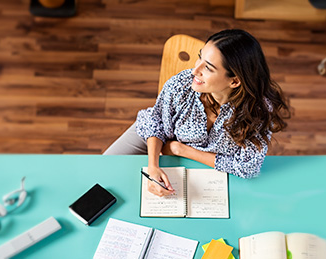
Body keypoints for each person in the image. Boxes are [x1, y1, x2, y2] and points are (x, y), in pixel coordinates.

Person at [103, 29, 291, 197]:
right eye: (200, 57)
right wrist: (153, 165)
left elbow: (247, 166)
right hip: (154, 134)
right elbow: (154, 121)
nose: (195, 70)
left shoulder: (258, 110)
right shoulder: (181, 85)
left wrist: (181, 150)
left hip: (182, 151)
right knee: (103, 170)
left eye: (208, 68)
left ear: (234, 82)